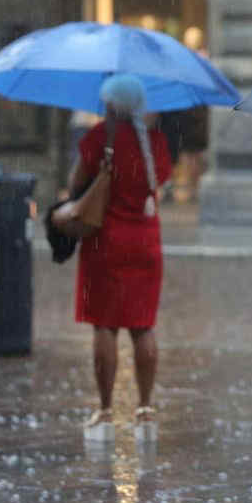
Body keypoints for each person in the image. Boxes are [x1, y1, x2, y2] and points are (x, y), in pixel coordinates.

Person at [73, 75, 173, 439]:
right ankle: (145, 412)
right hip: (145, 243)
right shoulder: (157, 143)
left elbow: (76, 186)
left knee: (105, 325)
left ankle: (104, 413)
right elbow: (158, 182)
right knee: (143, 325)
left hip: (105, 242)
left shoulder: (98, 139)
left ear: (111, 104)